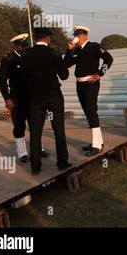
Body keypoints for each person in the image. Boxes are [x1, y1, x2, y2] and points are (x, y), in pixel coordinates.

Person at [21, 28, 71, 174]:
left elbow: (23, 77)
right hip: (54, 96)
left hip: (35, 98)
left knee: (35, 132)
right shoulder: (53, 53)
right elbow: (64, 76)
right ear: (48, 39)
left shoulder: (26, 55)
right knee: (58, 129)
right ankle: (62, 162)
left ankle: (35, 166)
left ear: (35, 39)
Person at [64, 25, 114, 156]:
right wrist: (69, 50)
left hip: (90, 83)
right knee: (88, 112)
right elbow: (66, 64)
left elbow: (109, 59)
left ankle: (97, 146)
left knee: (91, 111)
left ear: (85, 35)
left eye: (79, 35)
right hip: (79, 84)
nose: (76, 38)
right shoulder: (77, 50)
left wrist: (99, 74)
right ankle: (98, 141)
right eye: (75, 35)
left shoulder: (94, 46)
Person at [0, 33, 49, 162]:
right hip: (17, 99)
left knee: (35, 125)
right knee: (19, 126)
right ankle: (22, 153)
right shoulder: (8, 60)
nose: (25, 48)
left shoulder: (31, 56)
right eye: (22, 46)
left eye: (26, 45)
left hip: (33, 97)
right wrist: (7, 98)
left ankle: (39, 148)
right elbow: (2, 81)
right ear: (16, 47)